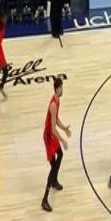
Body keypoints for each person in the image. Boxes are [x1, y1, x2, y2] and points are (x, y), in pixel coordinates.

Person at [41, 78, 71, 212]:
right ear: (58, 88)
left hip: (52, 134)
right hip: (49, 136)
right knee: (53, 166)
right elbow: (53, 129)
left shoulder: (57, 100)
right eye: (62, 87)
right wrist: (63, 140)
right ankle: (44, 199)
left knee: (60, 154)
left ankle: (54, 181)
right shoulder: (53, 104)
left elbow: (56, 119)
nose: (63, 90)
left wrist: (64, 128)